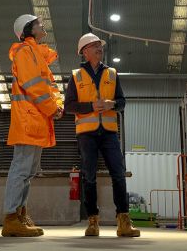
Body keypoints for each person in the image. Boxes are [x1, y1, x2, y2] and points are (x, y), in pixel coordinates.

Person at [64, 33, 141, 237]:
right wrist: (91, 106)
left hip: (108, 134)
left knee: (118, 174)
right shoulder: (76, 76)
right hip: (86, 135)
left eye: (100, 45)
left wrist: (112, 104)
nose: (100, 48)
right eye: (95, 45)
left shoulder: (112, 74)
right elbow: (69, 106)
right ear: (85, 51)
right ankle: (92, 221)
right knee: (88, 176)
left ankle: (124, 221)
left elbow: (122, 102)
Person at [1, 14, 64, 237]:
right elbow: (33, 86)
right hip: (29, 119)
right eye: (38, 23)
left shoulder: (37, 55)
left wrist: (57, 105)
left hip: (36, 118)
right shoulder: (24, 52)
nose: (42, 25)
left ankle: (19, 214)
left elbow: (50, 88)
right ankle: (10, 218)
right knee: (21, 169)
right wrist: (51, 109)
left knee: (28, 171)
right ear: (29, 29)